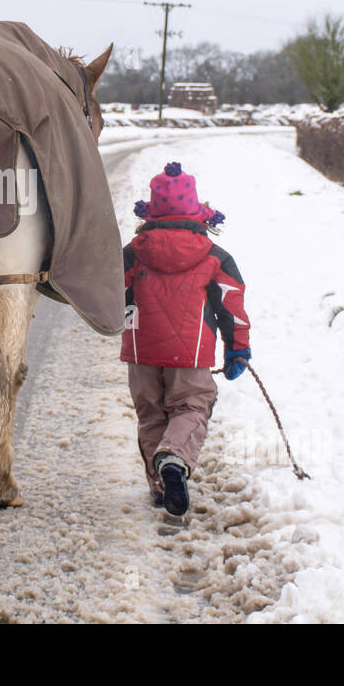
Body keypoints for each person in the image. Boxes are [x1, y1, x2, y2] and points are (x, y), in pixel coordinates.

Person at [121, 161, 251, 515]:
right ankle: (174, 460)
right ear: (199, 213)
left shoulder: (133, 253)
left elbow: (116, 294)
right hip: (191, 353)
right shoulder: (214, 257)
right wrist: (238, 348)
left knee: (151, 415)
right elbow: (231, 306)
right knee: (192, 405)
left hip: (141, 351)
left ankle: (161, 487)